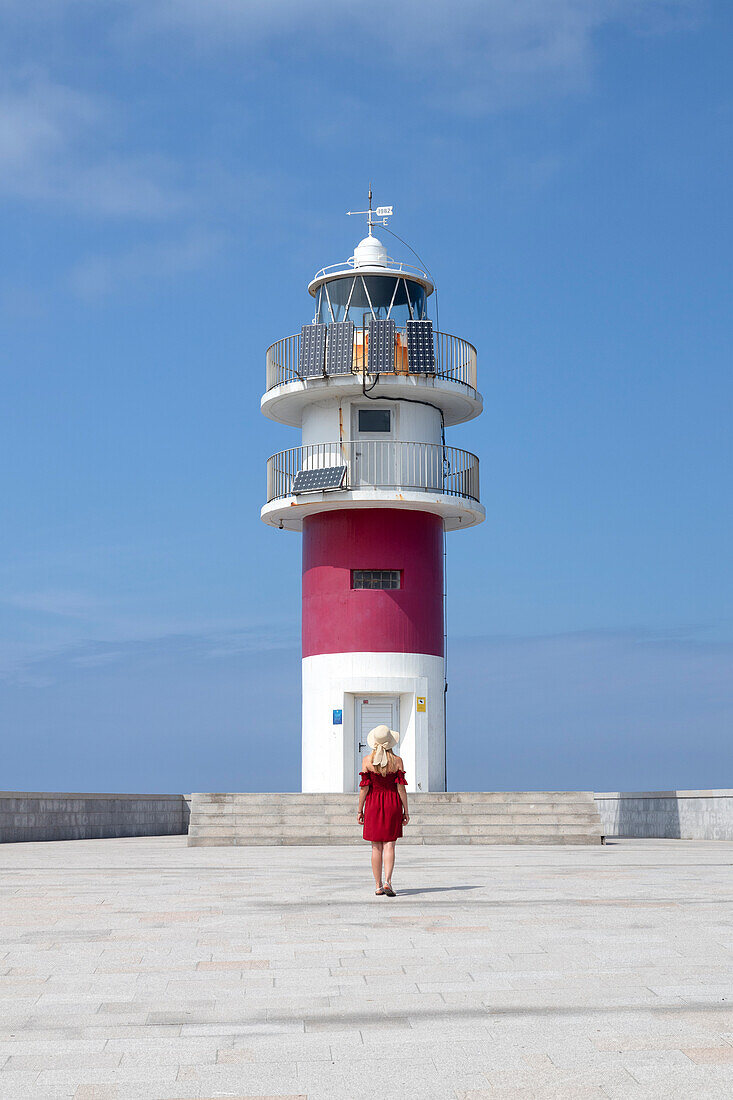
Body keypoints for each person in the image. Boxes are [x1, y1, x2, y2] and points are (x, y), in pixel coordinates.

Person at [356, 724, 409, 896]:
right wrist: (405, 811)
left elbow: (364, 788)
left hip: (373, 804)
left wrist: (359, 810)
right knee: (390, 845)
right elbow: (401, 789)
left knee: (375, 847)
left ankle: (378, 885)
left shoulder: (367, 761)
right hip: (392, 803)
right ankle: (388, 881)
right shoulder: (398, 761)